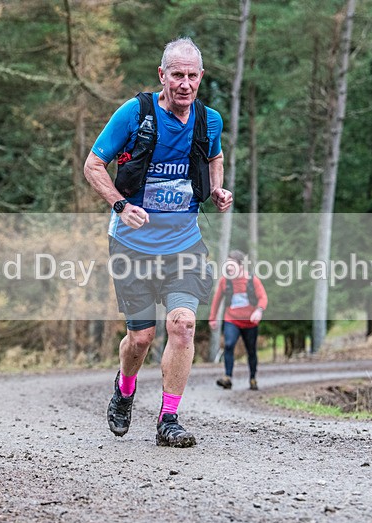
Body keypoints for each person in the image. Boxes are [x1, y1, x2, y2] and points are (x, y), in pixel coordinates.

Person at [84, 37, 232, 448]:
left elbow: (214, 156)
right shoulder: (134, 114)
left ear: (201, 78)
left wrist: (217, 190)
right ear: (162, 75)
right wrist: (118, 205)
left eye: (191, 76)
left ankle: (169, 418)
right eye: (176, 75)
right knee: (142, 338)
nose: (184, 84)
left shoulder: (210, 120)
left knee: (182, 326)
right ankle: (125, 389)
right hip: (131, 245)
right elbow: (93, 164)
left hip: (184, 242)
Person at [209, 250, 267, 390]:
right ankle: (227, 377)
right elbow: (217, 300)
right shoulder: (224, 281)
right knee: (228, 345)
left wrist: (259, 310)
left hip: (250, 322)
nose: (229, 268)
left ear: (241, 266)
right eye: (227, 264)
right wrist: (212, 318)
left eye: (232, 265)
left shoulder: (252, 280)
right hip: (232, 319)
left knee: (251, 350)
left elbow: (263, 297)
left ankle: (253, 378)